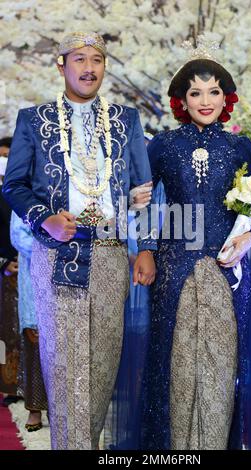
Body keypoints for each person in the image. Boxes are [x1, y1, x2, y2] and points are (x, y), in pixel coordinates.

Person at [3, 31, 156, 449]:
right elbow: (14, 185)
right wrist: (45, 219)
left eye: (97, 60)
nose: (89, 68)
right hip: (57, 255)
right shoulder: (33, 120)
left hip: (109, 253)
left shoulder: (126, 120)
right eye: (80, 60)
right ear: (62, 64)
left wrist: (145, 247)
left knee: (102, 365)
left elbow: (143, 191)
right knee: (65, 365)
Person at [139, 37, 251, 450]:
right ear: (182, 99)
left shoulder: (240, 146)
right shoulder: (162, 145)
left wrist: (246, 235)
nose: (205, 99)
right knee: (178, 361)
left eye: (214, 91)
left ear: (226, 97)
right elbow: (145, 199)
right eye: (195, 92)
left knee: (222, 363)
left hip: (226, 267)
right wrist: (146, 248)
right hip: (174, 265)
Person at [10, 211, 48, 431]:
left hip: (65, 272)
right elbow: (17, 235)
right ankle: (34, 409)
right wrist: (48, 252)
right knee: (35, 340)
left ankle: (58, 407)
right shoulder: (25, 192)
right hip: (34, 270)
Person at [0, 136, 21, 407]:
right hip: (6, 266)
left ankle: (17, 385)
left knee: (17, 329)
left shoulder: (27, 191)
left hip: (25, 267)